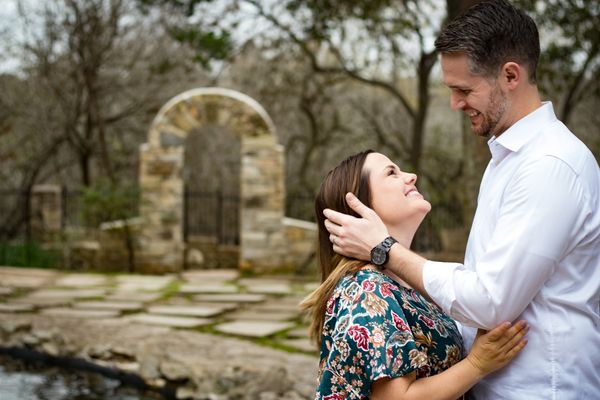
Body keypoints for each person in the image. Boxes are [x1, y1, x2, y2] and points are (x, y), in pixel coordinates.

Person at [323, 1, 600, 399]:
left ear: (510, 75)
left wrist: (386, 249)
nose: (455, 104)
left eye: (463, 90)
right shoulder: (507, 161)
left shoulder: (548, 165)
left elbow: (491, 302)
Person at [302, 149, 528, 400]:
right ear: (361, 208)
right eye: (391, 173)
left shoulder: (402, 282)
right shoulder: (367, 289)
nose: (411, 176)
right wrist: (477, 364)